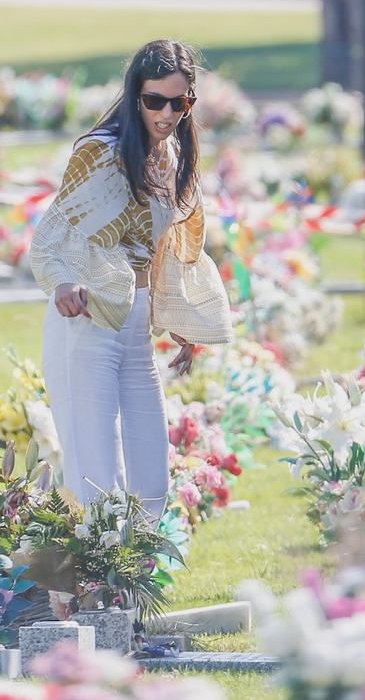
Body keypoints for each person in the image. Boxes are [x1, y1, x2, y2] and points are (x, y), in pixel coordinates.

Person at [29, 40, 233, 515]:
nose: (166, 113)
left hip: (136, 321)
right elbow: (55, 235)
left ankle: (131, 582)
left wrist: (175, 314)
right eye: (154, 100)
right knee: (94, 472)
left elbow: (164, 251)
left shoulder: (170, 159)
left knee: (150, 472)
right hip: (86, 319)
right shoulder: (98, 152)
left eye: (179, 102)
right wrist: (61, 282)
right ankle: (97, 588)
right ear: (134, 95)